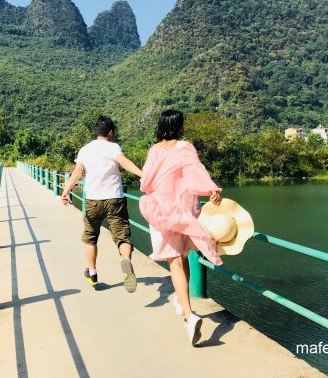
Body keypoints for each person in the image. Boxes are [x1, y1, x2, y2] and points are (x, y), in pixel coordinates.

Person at [139, 110, 222, 346]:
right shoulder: (186, 146)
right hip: (185, 209)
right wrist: (211, 190)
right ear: (180, 127)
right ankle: (182, 301)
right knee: (182, 255)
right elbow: (196, 172)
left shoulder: (155, 150)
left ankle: (189, 315)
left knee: (174, 260)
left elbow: (145, 182)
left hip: (161, 210)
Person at [61, 116, 143, 292]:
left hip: (93, 200)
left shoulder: (85, 149)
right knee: (122, 236)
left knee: (90, 237)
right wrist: (143, 175)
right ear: (111, 132)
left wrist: (65, 192)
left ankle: (92, 273)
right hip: (115, 199)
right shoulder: (113, 147)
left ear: (96, 132)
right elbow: (124, 162)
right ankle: (126, 262)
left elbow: (76, 173)